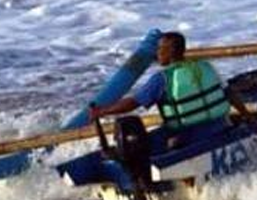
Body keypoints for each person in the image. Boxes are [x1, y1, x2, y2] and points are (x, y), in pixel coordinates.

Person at [89, 31, 246, 141]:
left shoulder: (162, 79)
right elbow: (229, 93)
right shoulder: (206, 66)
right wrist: (246, 115)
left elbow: (133, 103)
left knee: (148, 142)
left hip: (187, 134)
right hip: (220, 124)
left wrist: (102, 111)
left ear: (170, 51)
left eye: (160, 49)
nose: (157, 53)